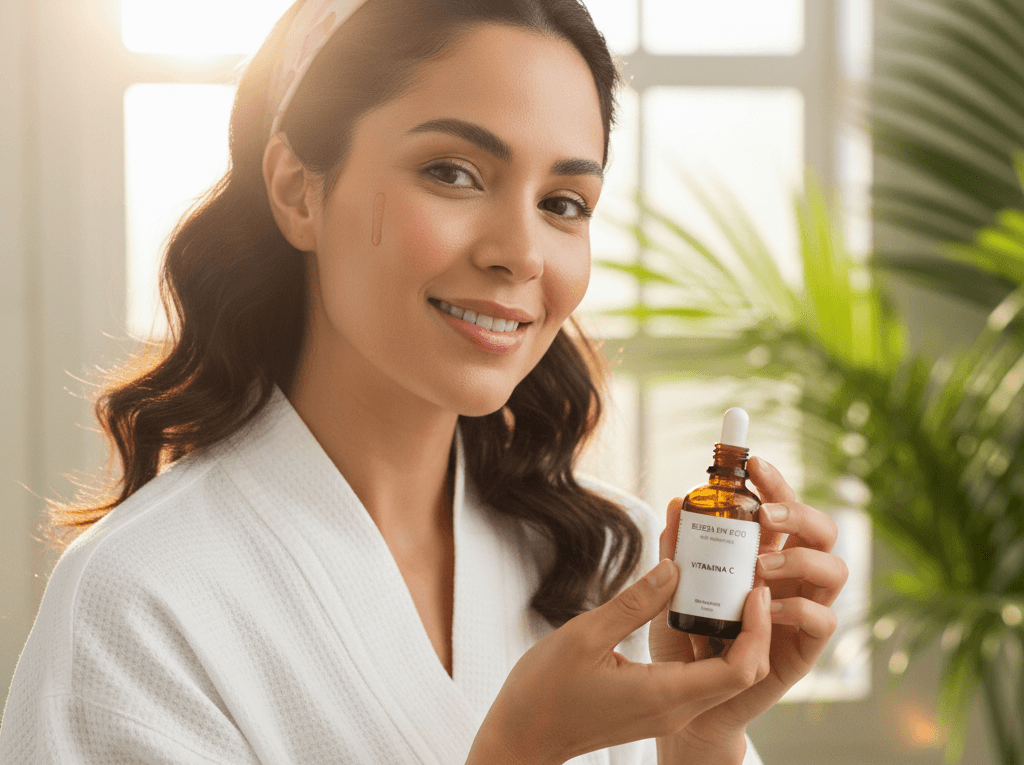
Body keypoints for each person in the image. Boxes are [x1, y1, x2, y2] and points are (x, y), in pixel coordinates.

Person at [0, 0, 849, 762]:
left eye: (564, 202)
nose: (519, 251)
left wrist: (699, 740)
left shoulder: (611, 556)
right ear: (299, 190)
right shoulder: (139, 601)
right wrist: (519, 752)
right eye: (453, 172)